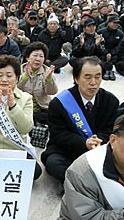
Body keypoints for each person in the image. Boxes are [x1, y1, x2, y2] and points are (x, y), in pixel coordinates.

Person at [41, 56, 119, 185]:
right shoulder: (60, 103)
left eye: (97, 77)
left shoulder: (111, 101)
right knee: (54, 163)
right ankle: (86, 185)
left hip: (98, 150)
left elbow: (110, 130)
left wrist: (96, 142)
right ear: (76, 79)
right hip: (67, 150)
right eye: (87, 77)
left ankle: (79, 184)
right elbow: (58, 134)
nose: (93, 82)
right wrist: (84, 142)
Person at [0, 55, 42, 180]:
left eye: (9, 75)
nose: (4, 79)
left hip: (15, 150)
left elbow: (26, 128)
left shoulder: (26, 98)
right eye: (0, 75)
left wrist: (13, 106)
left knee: (36, 172)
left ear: (17, 78)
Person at [17, 42, 57, 125]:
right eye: (35, 55)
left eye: (41, 56)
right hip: (22, 108)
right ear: (28, 57)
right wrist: (24, 77)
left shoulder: (47, 71)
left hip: (41, 109)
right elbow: (15, 90)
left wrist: (49, 79)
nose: (38, 59)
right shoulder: (18, 70)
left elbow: (52, 92)